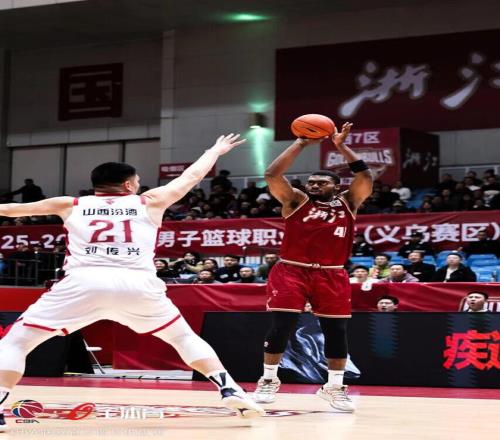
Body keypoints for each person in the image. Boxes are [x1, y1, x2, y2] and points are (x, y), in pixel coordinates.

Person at [0, 134, 264, 432]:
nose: (139, 185)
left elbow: (8, 210)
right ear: (128, 185)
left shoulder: (69, 204)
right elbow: (191, 177)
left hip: (84, 282)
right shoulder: (151, 201)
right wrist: (215, 150)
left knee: (16, 343)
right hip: (137, 284)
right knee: (183, 338)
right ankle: (228, 388)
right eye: (137, 181)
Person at [253, 122, 373, 412]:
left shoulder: (349, 203)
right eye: (312, 182)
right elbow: (271, 175)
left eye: (322, 183)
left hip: (332, 273)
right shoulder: (296, 200)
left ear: (336, 186)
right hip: (291, 270)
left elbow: (365, 176)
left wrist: (341, 147)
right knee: (282, 325)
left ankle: (334, 386)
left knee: (336, 331)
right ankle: (268, 379)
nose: (315, 185)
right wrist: (301, 143)